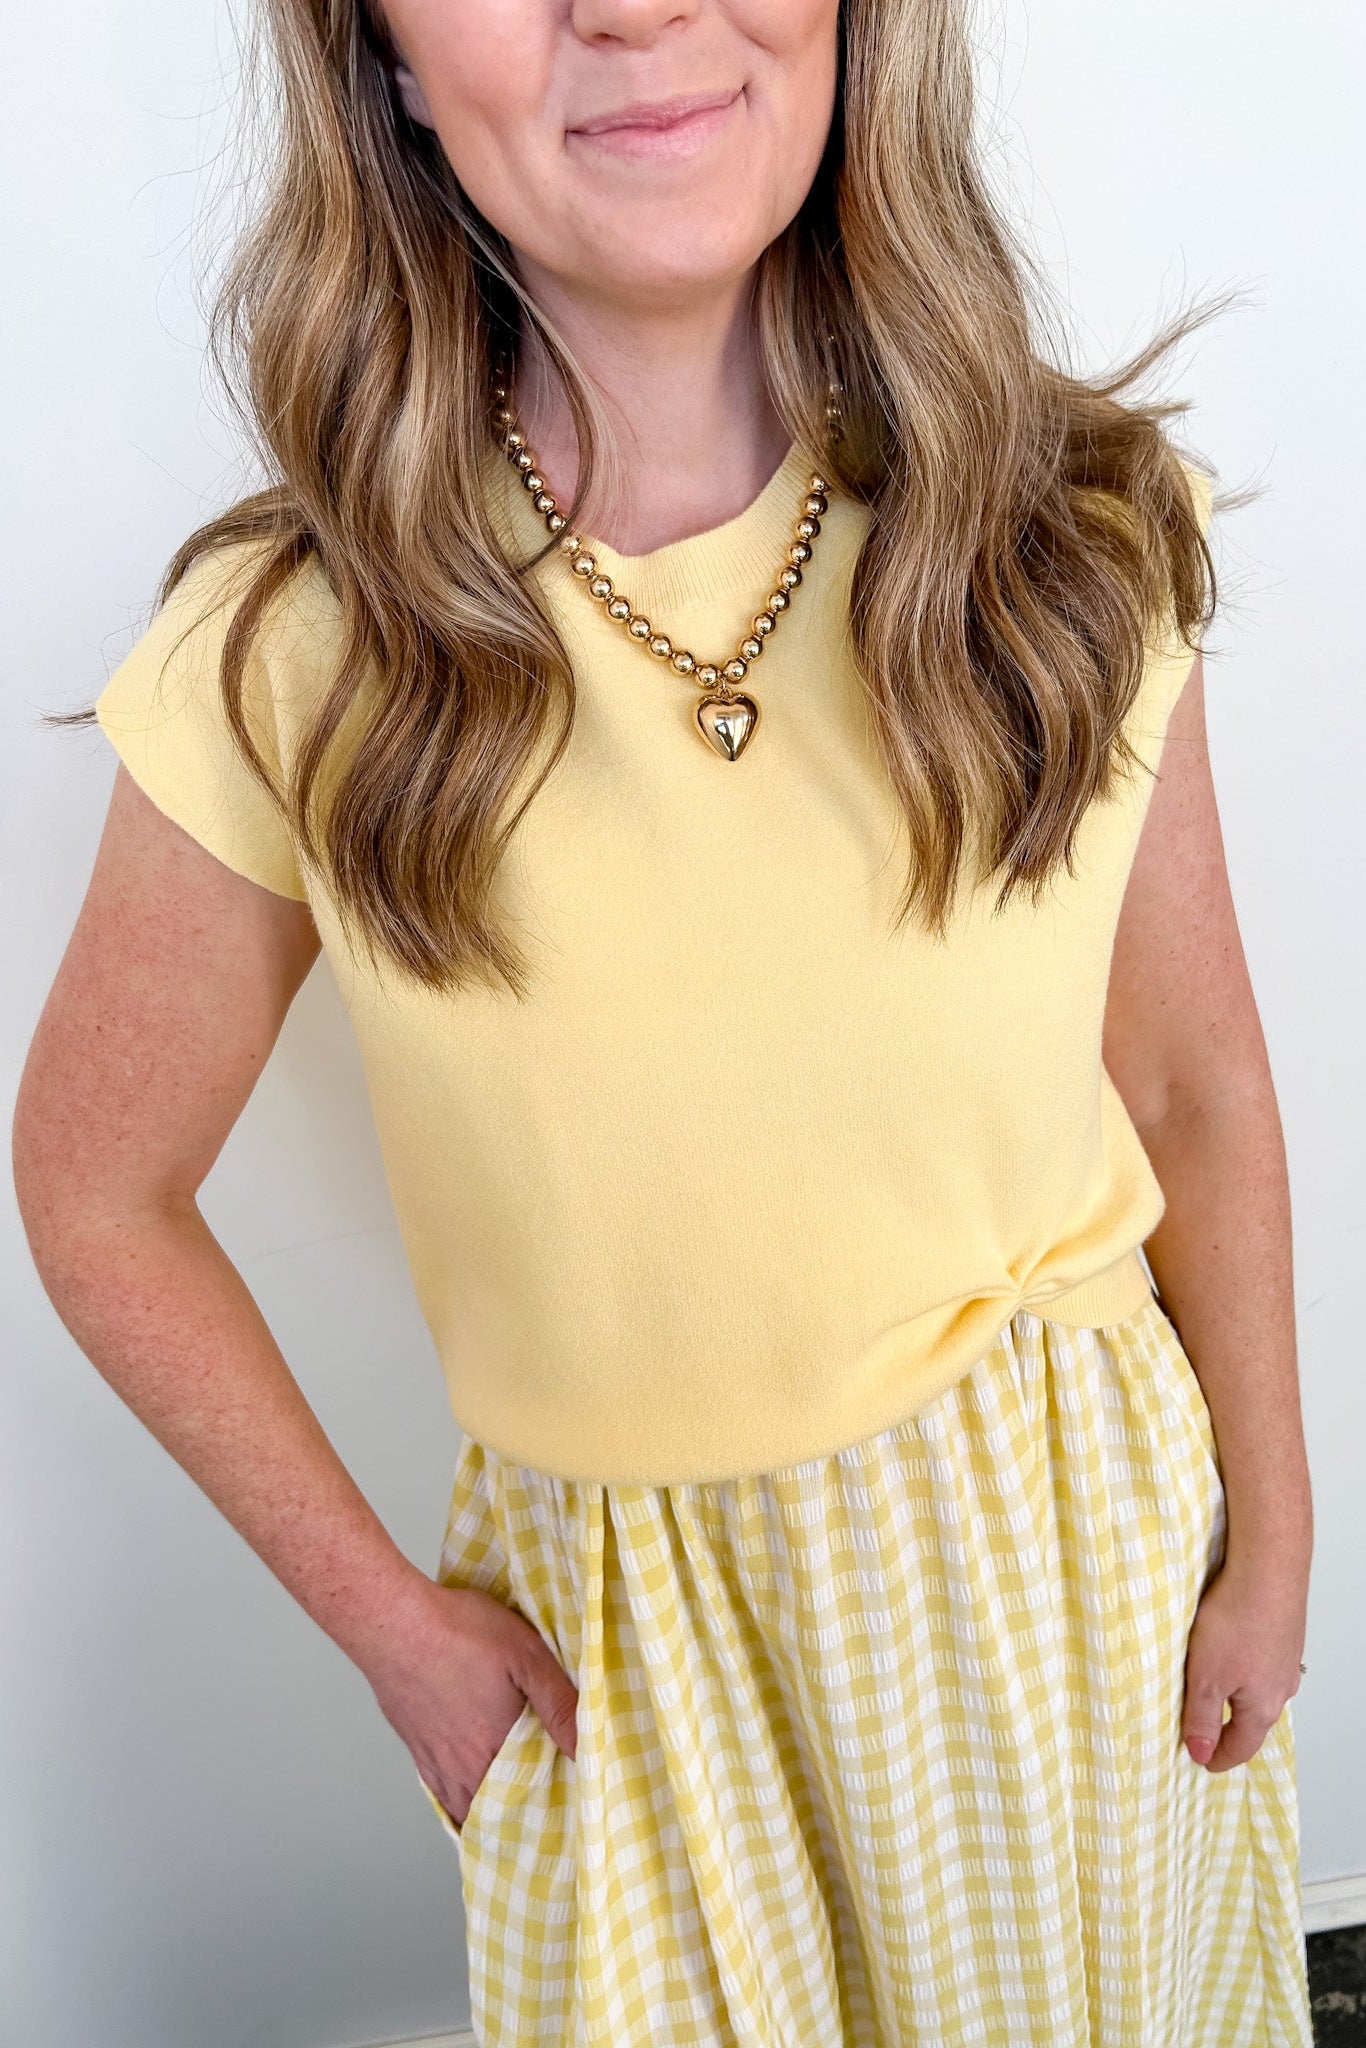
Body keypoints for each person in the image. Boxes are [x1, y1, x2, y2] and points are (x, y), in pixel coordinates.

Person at [12, 0, 1315, 2042]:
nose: (627, 7)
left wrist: (1276, 1523)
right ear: (382, 62)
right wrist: (394, 1632)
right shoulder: (291, 652)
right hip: (639, 1646)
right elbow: (95, 1186)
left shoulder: (1063, 530)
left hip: (1065, 1562)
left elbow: (1192, 1082)